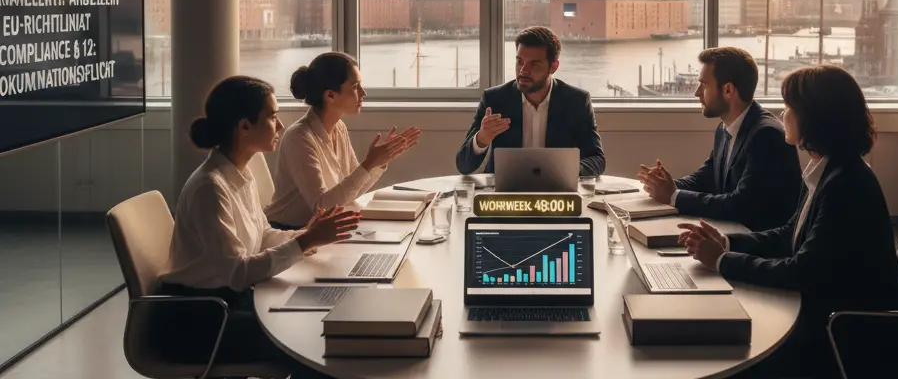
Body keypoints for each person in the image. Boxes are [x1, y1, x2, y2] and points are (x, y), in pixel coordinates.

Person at [678, 65, 898, 378]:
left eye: (790, 108)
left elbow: (803, 271)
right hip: (828, 314)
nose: (782, 114)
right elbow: (792, 233)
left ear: (816, 118)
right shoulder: (828, 169)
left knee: (723, 356)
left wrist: (723, 261)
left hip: (847, 336)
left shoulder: (847, 185)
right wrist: (729, 242)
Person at [160, 76, 359, 376]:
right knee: (316, 338)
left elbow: (263, 235)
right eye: (273, 117)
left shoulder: (240, 172)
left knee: (326, 315)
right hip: (206, 320)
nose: (280, 127)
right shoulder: (210, 189)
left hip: (233, 302)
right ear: (244, 127)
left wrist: (308, 235)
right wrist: (305, 242)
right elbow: (238, 273)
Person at [637, 47, 801, 231]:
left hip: (757, 249)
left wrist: (674, 196)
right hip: (731, 234)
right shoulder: (725, 128)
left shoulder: (766, 136)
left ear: (728, 90)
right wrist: (664, 185)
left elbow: (740, 205)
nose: (697, 92)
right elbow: (707, 176)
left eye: (704, 85)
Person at [265, 52, 421, 229]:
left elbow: (350, 193)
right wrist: (369, 163)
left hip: (322, 232)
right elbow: (322, 208)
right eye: (355, 87)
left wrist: (380, 162)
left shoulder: (339, 128)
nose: (364, 93)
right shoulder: (299, 138)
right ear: (330, 95)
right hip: (290, 233)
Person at [455, 26, 605, 177]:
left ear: (553, 67)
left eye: (534, 64)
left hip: (556, 194)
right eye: (520, 62)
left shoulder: (576, 102)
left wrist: (565, 170)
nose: (523, 71)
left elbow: (597, 160)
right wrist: (482, 139)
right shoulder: (495, 99)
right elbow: (463, 166)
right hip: (505, 196)